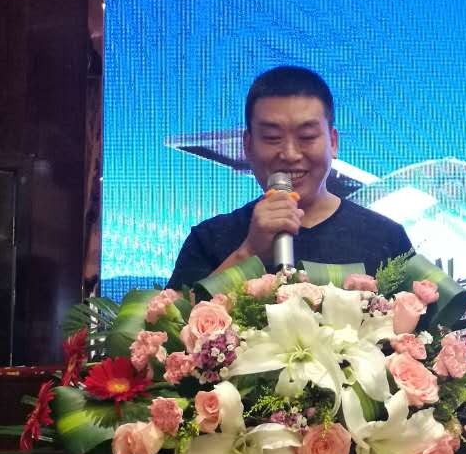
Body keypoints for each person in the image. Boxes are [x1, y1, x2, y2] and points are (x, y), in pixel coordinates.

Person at [166, 66, 412, 289]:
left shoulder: (386, 237)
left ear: (333, 142)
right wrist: (249, 252)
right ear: (248, 145)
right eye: (272, 138)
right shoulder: (209, 239)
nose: (290, 154)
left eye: (307, 137)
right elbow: (170, 319)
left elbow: (428, 321)